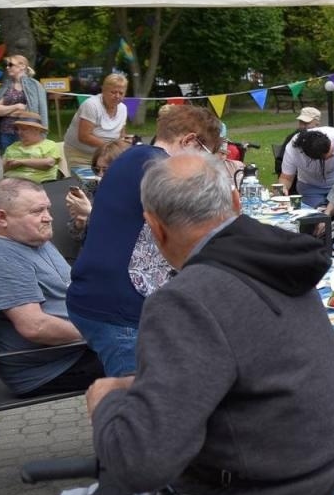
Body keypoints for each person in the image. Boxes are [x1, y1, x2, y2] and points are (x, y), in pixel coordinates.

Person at [87, 152, 334, 495]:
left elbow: (139, 463)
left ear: (153, 226)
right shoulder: (279, 263)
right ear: (235, 201)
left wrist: (106, 402)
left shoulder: (188, 300)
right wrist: (154, 386)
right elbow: (250, 371)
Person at [67, 103, 222, 376]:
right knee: (141, 406)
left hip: (96, 296)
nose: (206, 165)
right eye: (206, 155)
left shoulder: (132, 157)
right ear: (188, 141)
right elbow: (198, 231)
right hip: (120, 309)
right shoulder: (162, 168)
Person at [0, 178, 105, 398]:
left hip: (75, 350)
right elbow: (35, 327)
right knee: (159, 358)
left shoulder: (33, 240)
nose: (48, 217)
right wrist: (103, 333)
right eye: (37, 211)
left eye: (47, 208)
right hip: (53, 368)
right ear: (2, 218)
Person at [64, 138, 131, 246]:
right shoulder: (90, 188)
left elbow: (121, 234)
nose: (100, 175)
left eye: (106, 170)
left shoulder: (134, 194)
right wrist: (80, 222)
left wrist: (90, 214)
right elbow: (75, 237)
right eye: (97, 169)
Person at [62, 72, 129, 170]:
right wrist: (111, 147)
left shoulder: (123, 108)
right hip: (80, 154)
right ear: (104, 90)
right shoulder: (91, 105)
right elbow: (84, 136)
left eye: (121, 93)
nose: (117, 96)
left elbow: (121, 134)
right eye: (113, 92)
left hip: (105, 155)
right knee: (88, 184)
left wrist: (126, 144)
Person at [0, 53, 47, 150]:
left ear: (22, 66)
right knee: (7, 161)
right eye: (7, 65)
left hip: (26, 132)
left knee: (26, 160)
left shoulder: (34, 85)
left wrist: (6, 112)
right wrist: (17, 106)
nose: (7, 67)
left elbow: (35, 111)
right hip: (6, 132)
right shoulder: (7, 86)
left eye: (10, 65)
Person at [279, 124, 334, 207]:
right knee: (315, 215)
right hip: (309, 187)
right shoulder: (292, 150)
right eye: (328, 157)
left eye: (332, 152)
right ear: (312, 158)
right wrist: (282, 191)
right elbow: (286, 178)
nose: (333, 154)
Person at [1, 114, 63, 183]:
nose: (19, 132)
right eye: (18, 129)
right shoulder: (13, 146)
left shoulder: (49, 145)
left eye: (24, 129)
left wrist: (20, 162)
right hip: (9, 183)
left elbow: (48, 163)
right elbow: (0, 168)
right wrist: (11, 165)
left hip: (38, 185)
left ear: (37, 130)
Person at [274, 106, 322, 178]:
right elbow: (280, 163)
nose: (302, 126)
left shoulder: (324, 138)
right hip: (295, 178)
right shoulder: (292, 138)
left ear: (317, 124)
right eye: (301, 122)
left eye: (306, 123)